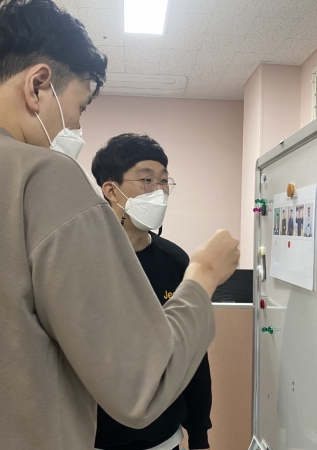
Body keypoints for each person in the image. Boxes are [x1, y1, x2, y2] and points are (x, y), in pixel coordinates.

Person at [0, 1, 240, 449]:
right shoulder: (42, 178)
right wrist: (204, 274)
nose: (75, 124)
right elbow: (143, 383)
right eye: (79, 106)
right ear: (38, 85)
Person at [91, 134, 212, 450]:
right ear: (110, 190)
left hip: (164, 436)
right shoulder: (83, 259)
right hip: (94, 436)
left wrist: (199, 434)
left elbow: (192, 353)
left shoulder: (175, 260)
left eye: (164, 181)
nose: (159, 191)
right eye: (146, 180)